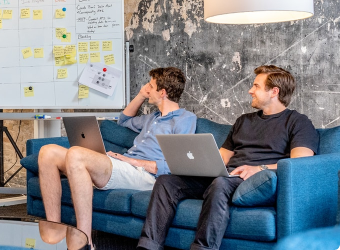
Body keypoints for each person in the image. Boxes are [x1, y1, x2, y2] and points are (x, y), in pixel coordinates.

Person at [136, 65, 319, 250]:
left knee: (220, 183)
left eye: (256, 86)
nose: (250, 90)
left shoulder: (298, 122)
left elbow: (299, 164)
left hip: (257, 180)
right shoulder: (244, 121)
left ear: (274, 91)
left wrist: (259, 168)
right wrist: (196, 165)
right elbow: (221, 157)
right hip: (228, 176)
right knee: (167, 182)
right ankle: (148, 247)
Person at [38, 67, 197, 246]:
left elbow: (177, 164)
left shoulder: (184, 119)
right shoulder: (152, 118)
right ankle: (54, 230)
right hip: (125, 167)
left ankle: (85, 241)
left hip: (146, 176)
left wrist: (133, 161)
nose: (147, 88)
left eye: (150, 86)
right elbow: (124, 120)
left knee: (76, 154)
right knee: (48, 152)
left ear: (162, 92)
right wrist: (140, 95)